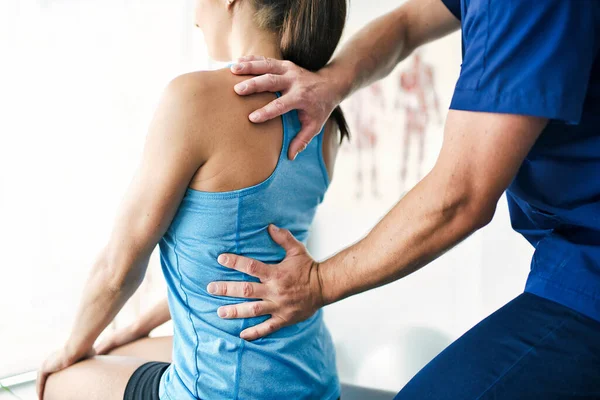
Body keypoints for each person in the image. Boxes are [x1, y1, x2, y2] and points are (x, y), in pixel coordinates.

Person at [208, 0, 600, 398]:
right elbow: (408, 23)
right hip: (568, 256)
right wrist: (332, 82)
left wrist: (318, 283)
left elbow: (461, 196)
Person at [36, 0, 349, 399]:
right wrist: (138, 324)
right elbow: (238, 263)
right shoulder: (324, 118)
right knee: (124, 346)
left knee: (61, 379)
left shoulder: (195, 97)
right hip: (316, 382)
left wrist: (69, 350)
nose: (194, 11)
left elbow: (118, 268)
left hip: (229, 391)